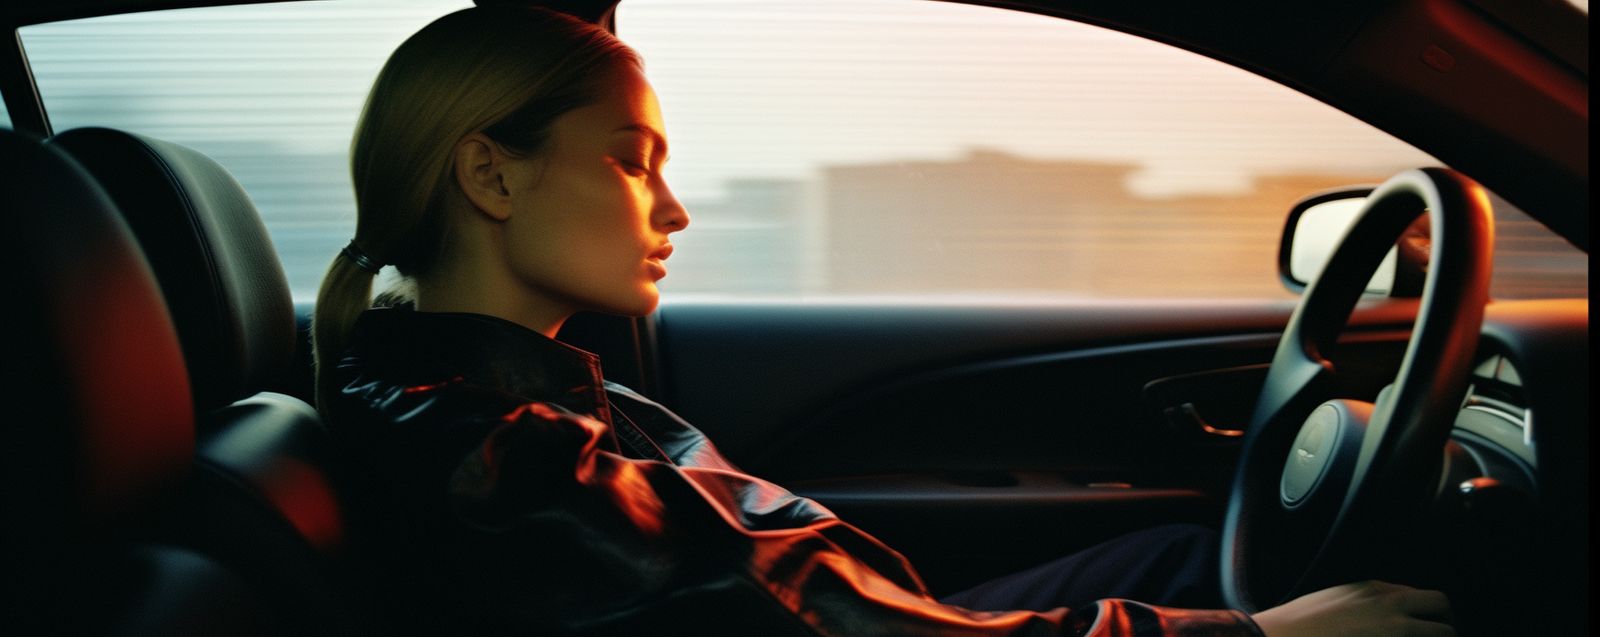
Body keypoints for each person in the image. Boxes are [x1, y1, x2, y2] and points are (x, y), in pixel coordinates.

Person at [313, 6, 1455, 636]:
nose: (672, 208)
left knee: (1182, 555)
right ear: (491, 175)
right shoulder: (498, 458)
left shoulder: (506, 397)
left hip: (892, 619)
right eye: (629, 163)